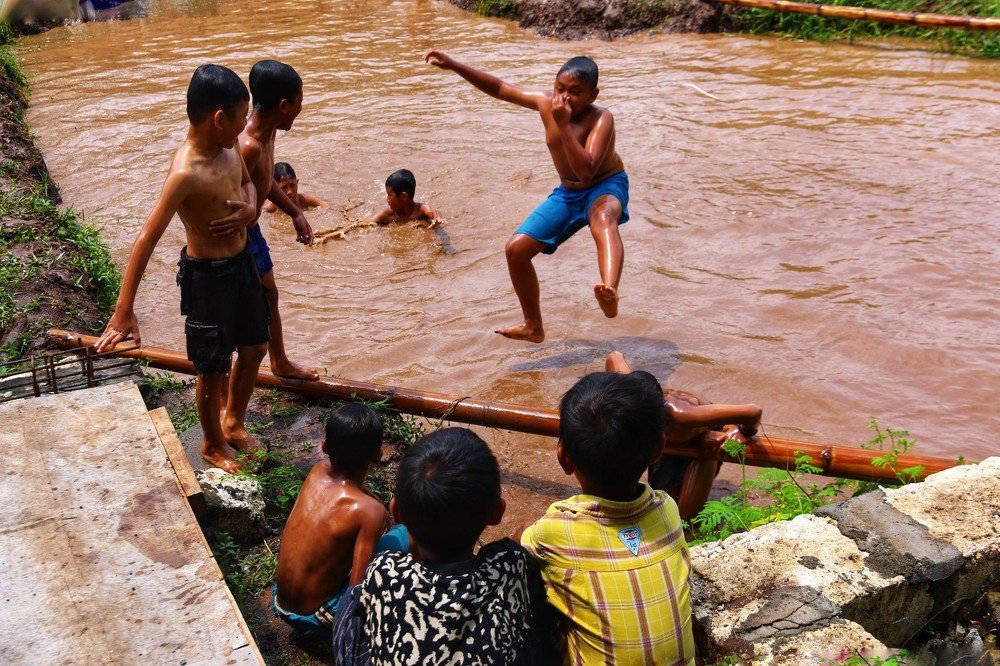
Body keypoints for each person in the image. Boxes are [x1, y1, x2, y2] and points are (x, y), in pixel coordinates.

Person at [95, 64, 264, 473]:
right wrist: (124, 309)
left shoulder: (230, 150)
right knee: (212, 366)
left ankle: (234, 421)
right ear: (219, 118)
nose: (245, 128)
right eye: (242, 118)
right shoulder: (185, 173)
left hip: (242, 265)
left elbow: (248, 183)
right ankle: (210, 443)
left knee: (256, 346)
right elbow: (146, 237)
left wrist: (250, 209)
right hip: (208, 278)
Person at [425, 51, 628, 343]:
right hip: (568, 192)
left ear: (593, 95)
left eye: (575, 92)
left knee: (603, 218)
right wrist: (454, 65)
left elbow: (587, 172)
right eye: (560, 89)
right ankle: (533, 326)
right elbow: (499, 88)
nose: (565, 98)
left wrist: (563, 124)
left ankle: (609, 291)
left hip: (605, 185)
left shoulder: (602, 119)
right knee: (516, 250)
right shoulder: (546, 103)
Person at [332, 428, 558, 665]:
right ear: (497, 512)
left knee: (354, 599)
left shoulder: (383, 572)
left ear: (396, 512)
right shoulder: (512, 565)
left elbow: (353, 616)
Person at [519, 371, 696, 664]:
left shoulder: (553, 532)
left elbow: (520, 546)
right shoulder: (667, 509)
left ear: (564, 457)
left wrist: (522, 530)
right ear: (658, 449)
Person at [273, 403, 408, 641]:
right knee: (404, 535)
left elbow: (353, 484)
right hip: (316, 618)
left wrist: (373, 499)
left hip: (280, 602)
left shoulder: (317, 470)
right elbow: (358, 588)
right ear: (378, 455)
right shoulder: (370, 512)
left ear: (324, 445)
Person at [605, 350, 762, 520]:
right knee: (663, 502)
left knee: (683, 518)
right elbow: (614, 356)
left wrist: (741, 431)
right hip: (665, 436)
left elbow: (753, 411)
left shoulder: (682, 416)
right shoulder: (626, 388)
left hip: (702, 437)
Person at [240, 60, 319, 382]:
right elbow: (230, 195)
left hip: (252, 230)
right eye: (300, 100)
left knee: (270, 295)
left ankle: (280, 361)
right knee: (244, 315)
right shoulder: (246, 145)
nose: (302, 108)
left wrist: (295, 212)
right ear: (285, 105)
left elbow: (263, 180)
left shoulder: (268, 132)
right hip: (235, 238)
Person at [366, 168, 443, 228]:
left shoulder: (420, 210)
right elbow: (369, 222)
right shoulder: (389, 214)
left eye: (389, 194)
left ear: (403, 196)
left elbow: (433, 212)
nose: (387, 199)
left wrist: (437, 217)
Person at [262, 162, 327, 213]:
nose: (290, 191)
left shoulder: (304, 200)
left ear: (297, 182)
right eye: (284, 187)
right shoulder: (271, 208)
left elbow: (326, 206)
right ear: (274, 189)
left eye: (292, 185)